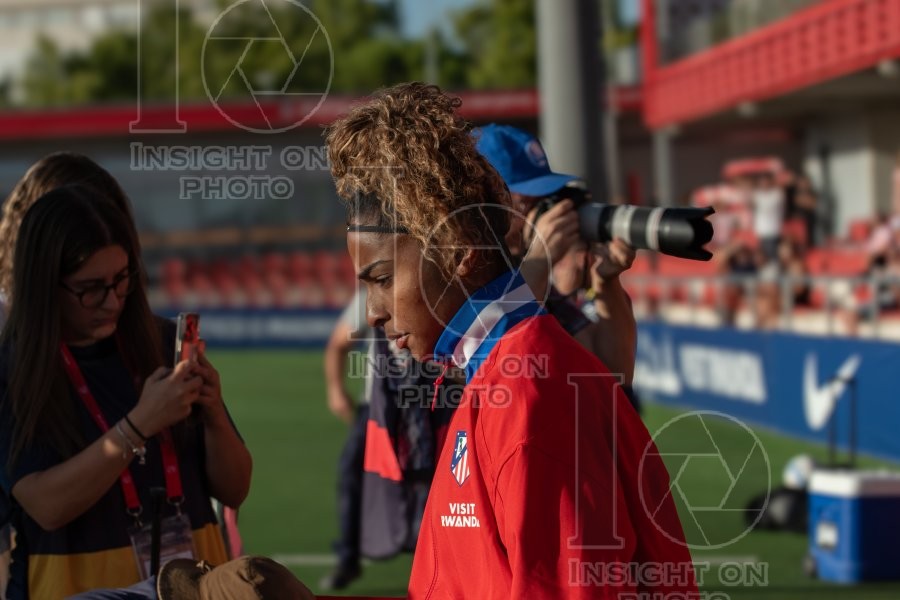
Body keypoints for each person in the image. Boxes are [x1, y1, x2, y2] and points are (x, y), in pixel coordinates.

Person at [326, 82, 695, 598]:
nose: (374, 313)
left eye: (382, 280)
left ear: (458, 250)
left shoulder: (526, 395)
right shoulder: (493, 369)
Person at [0, 186, 252, 598]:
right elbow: (46, 506)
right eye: (90, 287)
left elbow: (235, 488)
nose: (112, 300)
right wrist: (139, 425)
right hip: (73, 585)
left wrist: (214, 416)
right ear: (45, 283)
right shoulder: (13, 369)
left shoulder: (165, 342)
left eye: (122, 279)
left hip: (191, 581)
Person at [473, 124, 638, 386]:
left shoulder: (529, 274)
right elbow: (487, 358)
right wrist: (540, 258)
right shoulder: (457, 270)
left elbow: (614, 374)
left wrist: (606, 283)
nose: (542, 211)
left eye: (547, 197)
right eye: (530, 200)